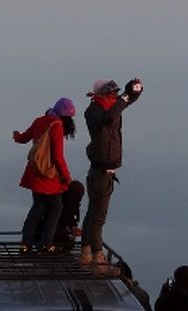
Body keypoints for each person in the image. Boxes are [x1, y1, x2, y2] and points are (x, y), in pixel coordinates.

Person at [80, 78, 143, 267]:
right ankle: (97, 258)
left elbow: (122, 105)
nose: (114, 96)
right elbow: (109, 116)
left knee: (93, 214)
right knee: (98, 217)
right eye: (111, 93)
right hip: (101, 172)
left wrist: (133, 92)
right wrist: (125, 97)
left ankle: (86, 252)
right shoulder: (94, 111)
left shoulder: (108, 107)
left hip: (103, 170)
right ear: (102, 94)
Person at [13, 97, 75, 253]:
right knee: (56, 207)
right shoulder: (57, 126)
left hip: (35, 172)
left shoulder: (40, 121)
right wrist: (67, 177)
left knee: (38, 206)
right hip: (49, 176)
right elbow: (58, 156)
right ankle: (46, 244)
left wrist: (17, 135)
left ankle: (25, 244)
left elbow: (23, 138)